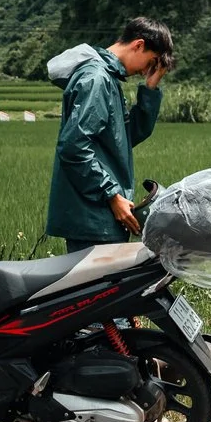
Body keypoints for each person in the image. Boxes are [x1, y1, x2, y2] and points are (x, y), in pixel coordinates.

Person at [44, 16, 173, 254]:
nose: (147, 70)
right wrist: (112, 195)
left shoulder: (109, 79)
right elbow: (74, 146)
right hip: (92, 215)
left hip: (100, 215)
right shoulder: (96, 79)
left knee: (101, 289)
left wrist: (151, 89)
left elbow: (123, 139)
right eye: (151, 62)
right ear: (138, 45)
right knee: (93, 291)